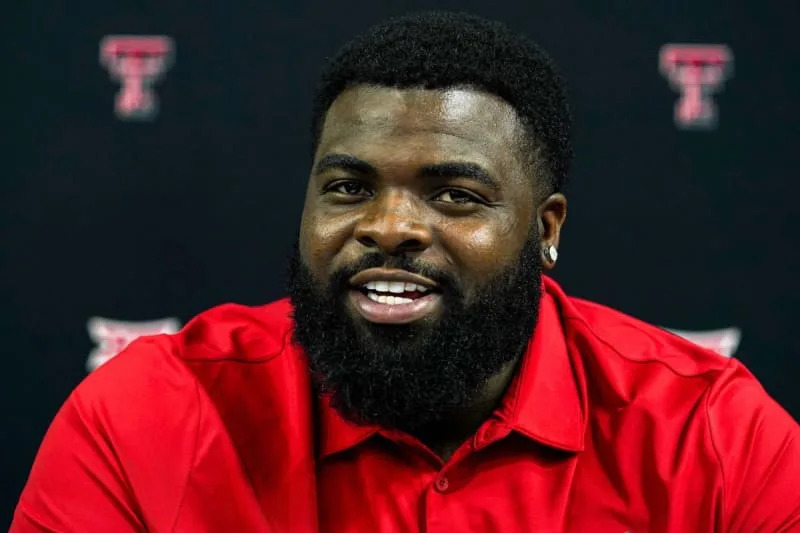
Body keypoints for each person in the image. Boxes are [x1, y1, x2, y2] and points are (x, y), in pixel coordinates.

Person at [11, 11, 800, 533]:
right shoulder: (148, 415)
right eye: (349, 188)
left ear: (545, 228)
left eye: (454, 195)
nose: (388, 227)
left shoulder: (714, 438)